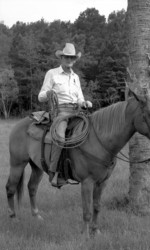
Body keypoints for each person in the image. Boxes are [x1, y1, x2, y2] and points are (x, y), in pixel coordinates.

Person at [38, 43, 92, 188]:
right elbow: (40, 96)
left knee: (92, 132)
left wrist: (84, 102)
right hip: (60, 112)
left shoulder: (76, 77)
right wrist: (48, 93)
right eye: (66, 57)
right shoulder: (52, 73)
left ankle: (86, 169)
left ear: (75, 59)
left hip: (76, 112)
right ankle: (54, 171)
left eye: (72, 58)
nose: (69, 60)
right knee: (61, 138)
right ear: (61, 58)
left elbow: (79, 98)